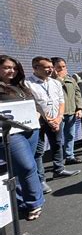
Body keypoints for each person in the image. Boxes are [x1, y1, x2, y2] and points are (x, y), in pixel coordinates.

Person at [26, 57, 80, 194]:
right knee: (38, 151)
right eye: (46, 67)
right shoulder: (27, 84)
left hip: (56, 119)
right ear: (35, 68)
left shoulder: (55, 83)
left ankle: (59, 169)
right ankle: (41, 180)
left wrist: (58, 117)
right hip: (38, 122)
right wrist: (48, 119)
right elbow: (33, 105)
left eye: (51, 67)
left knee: (57, 144)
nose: (50, 69)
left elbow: (61, 101)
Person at [0, 55, 44, 220]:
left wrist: (38, 114)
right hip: (11, 134)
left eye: (14, 68)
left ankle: (21, 202)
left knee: (22, 168)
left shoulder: (21, 86)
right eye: (7, 67)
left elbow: (35, 104)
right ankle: (34, 203)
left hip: (31, 130)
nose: (12, 71)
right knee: (26, 167)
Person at [51, 58, 82, 165]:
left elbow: (77, 93)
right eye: (59, 67)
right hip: (58, 115)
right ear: (53, 68)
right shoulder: (50, 81)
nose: (62, 69)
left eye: (64, 66)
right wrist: (59, 78)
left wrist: (79, 108)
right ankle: (58, 162)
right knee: (58, 140)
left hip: (71, 112)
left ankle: (70, 156)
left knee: (70, 136)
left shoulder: (70, 79)